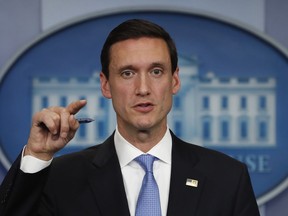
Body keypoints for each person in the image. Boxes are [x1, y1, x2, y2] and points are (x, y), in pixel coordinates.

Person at [0, 19, 260, 216]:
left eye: (156, 71)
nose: (143, 88)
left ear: (175, 80)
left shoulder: (227, 179)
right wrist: (37, 156)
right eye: (127, 73)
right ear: (105, 85)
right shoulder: (60, 178)